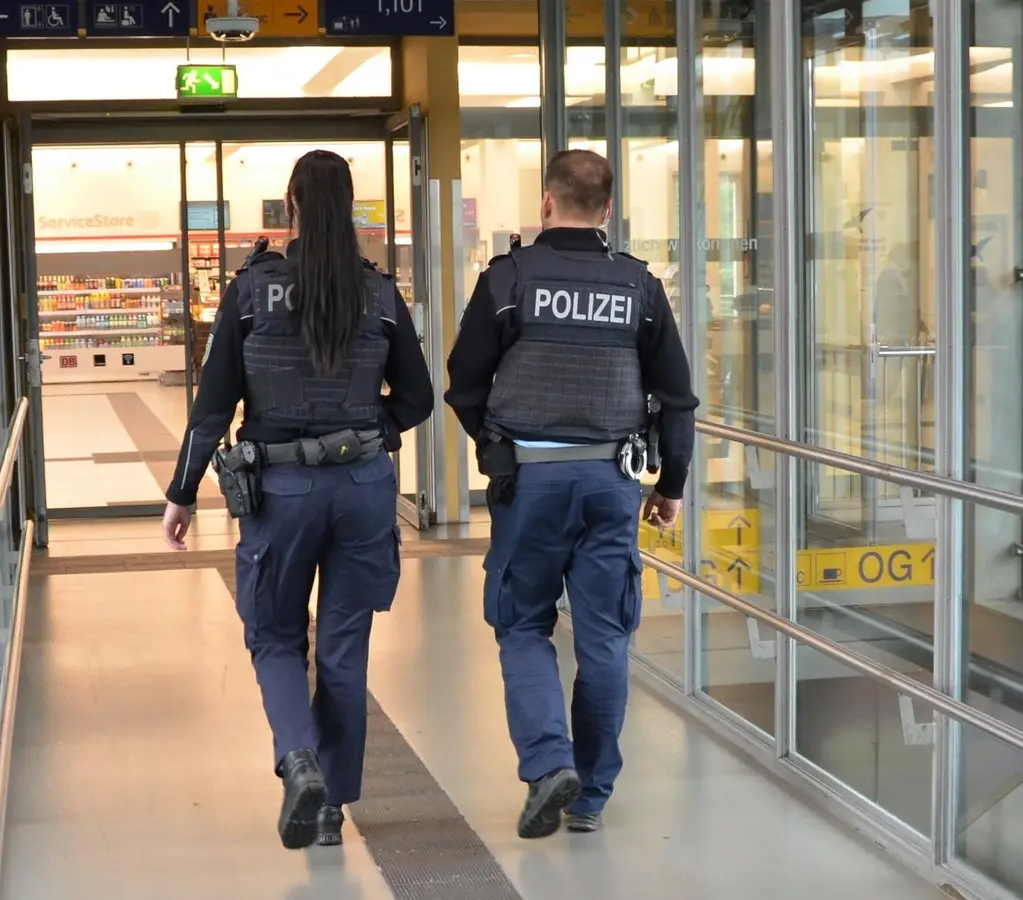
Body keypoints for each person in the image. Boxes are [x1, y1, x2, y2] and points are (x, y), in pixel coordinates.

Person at [161, 150, 434, 850]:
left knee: (277, 636)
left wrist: (183, 493)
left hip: (279, 491)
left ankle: (299, 758)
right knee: (344, 650)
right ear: (346, 209)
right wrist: (369, 433)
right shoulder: (379, 293)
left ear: (291, 207)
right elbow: (418, 397)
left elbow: (213, 403)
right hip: (365, 491)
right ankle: (333, 808)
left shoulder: (252, 291)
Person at [444, 149, 699, 838]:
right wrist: (670, 484)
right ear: (609, 211)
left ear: (547, 204)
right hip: (612, 481)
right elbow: (676, 398)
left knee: (523, 623)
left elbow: (462, 381)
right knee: (605, 636)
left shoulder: (509, 279)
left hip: (528, 481)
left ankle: (549, 762)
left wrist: (496, 445)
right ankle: (588, 795)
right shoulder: (639, 287)